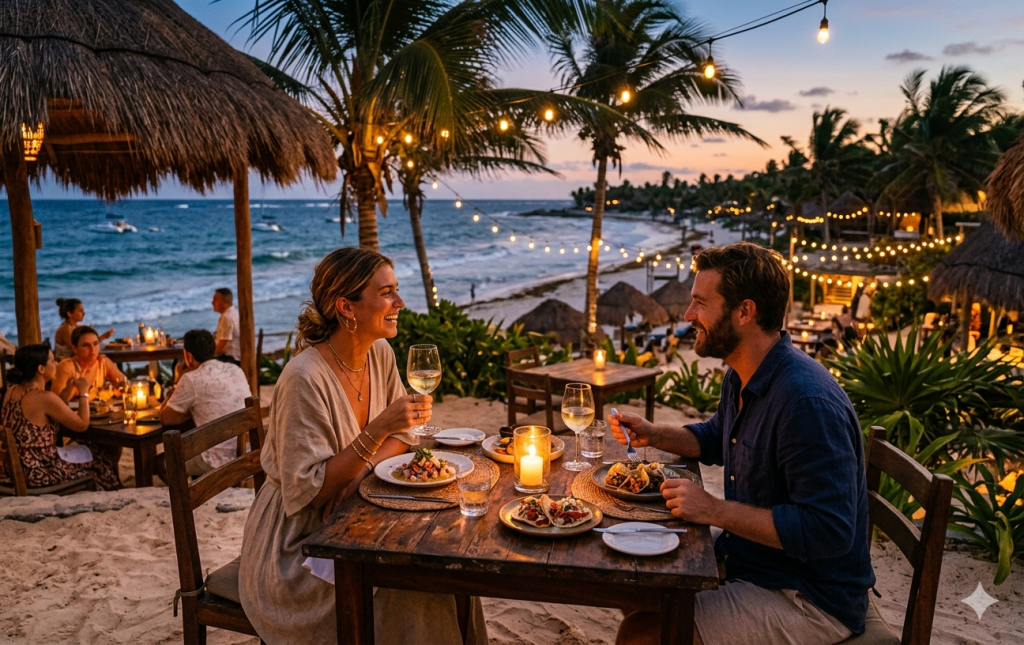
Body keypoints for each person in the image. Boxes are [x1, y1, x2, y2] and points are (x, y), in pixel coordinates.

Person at [611, 242, 873, 645]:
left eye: (700, 302)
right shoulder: (744, 372)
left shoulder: (805, 402)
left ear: (744, 312)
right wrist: (655, 433)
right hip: (752, 559)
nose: (688, 316)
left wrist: (713, 509)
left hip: (809, 595)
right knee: (637, 582)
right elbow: (719, 436)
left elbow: (828, 530)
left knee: (641, 635)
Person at [239, 247, 487, 644]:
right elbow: (313, 491)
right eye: (386, 292)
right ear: (346, 307)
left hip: (356, 513)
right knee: (410, 586)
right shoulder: (304, 378)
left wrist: (361, 475)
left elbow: (403, 438)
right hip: (298, 548)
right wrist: (378, 431)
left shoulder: (380, 353)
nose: (400, 303)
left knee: (447, 565)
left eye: (397, 291)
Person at [0, 344, 120, 490]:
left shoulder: (11, 391)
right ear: (41, 369)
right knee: (100, 456)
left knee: (90, 451)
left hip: (13, 468)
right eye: (52, 361)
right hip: (40, 471)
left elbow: (54, 409)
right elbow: (82, 425)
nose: (56, 363)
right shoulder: (44, 397)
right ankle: (111, 493)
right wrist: (83, 392)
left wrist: (69, 388)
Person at [159, 329, 252, 476]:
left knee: (162, 463)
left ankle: (188, 497)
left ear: (188, 356)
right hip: (248, 451)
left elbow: (166, 418)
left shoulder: (191, 378)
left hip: (217, 461)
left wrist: (177, 381)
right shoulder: (235, 369)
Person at [52, 327, 127, 402]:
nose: (92, 349)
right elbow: (55, 402)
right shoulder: (66, 367)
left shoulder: (102, 362)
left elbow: (123, 382)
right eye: (86, 345)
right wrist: (72, 388)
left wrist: (119, 387)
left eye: (95, 344)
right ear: (74, 348)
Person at [211, 288, 241, 362]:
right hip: (235, 357)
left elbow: (222, 343)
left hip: (230, 359)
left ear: (224, 301)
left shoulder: (227, 317)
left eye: (215, 299)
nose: (212, 302)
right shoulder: (234, 313)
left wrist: (208, 357)